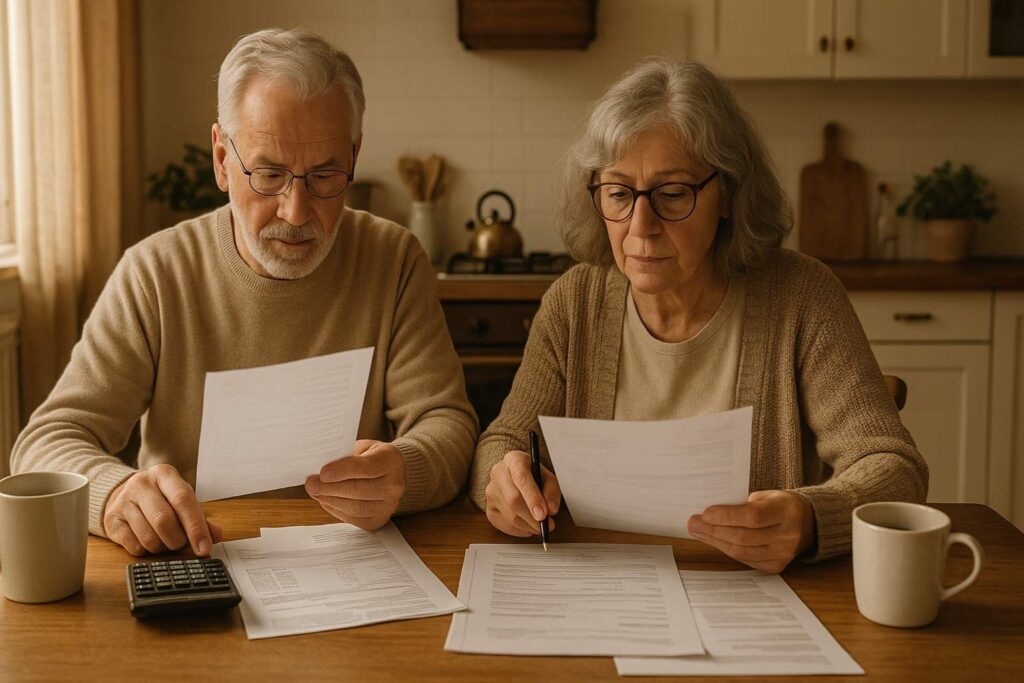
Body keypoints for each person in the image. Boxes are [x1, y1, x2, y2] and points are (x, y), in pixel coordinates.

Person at [11, 28, 477, 558]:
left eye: (325, 175)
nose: (296, 212)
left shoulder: (393, 260)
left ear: (354, 154)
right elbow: (46, 442)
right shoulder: (156, 273)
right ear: (221, 160)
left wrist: (403, 472)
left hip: (349, 560)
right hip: (194, 556)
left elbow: (450, 426)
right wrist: (113, 491)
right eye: (269, 174)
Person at [470, 59, 927, 572]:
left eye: (672, 194)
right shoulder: (575, 302)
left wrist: (810, 517)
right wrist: (506, 480)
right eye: (619, 194)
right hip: (605, 588)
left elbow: (893, 468)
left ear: (728, 193)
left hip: (757, 602)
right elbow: (503, 442)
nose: (641, 227)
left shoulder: (802, 297)